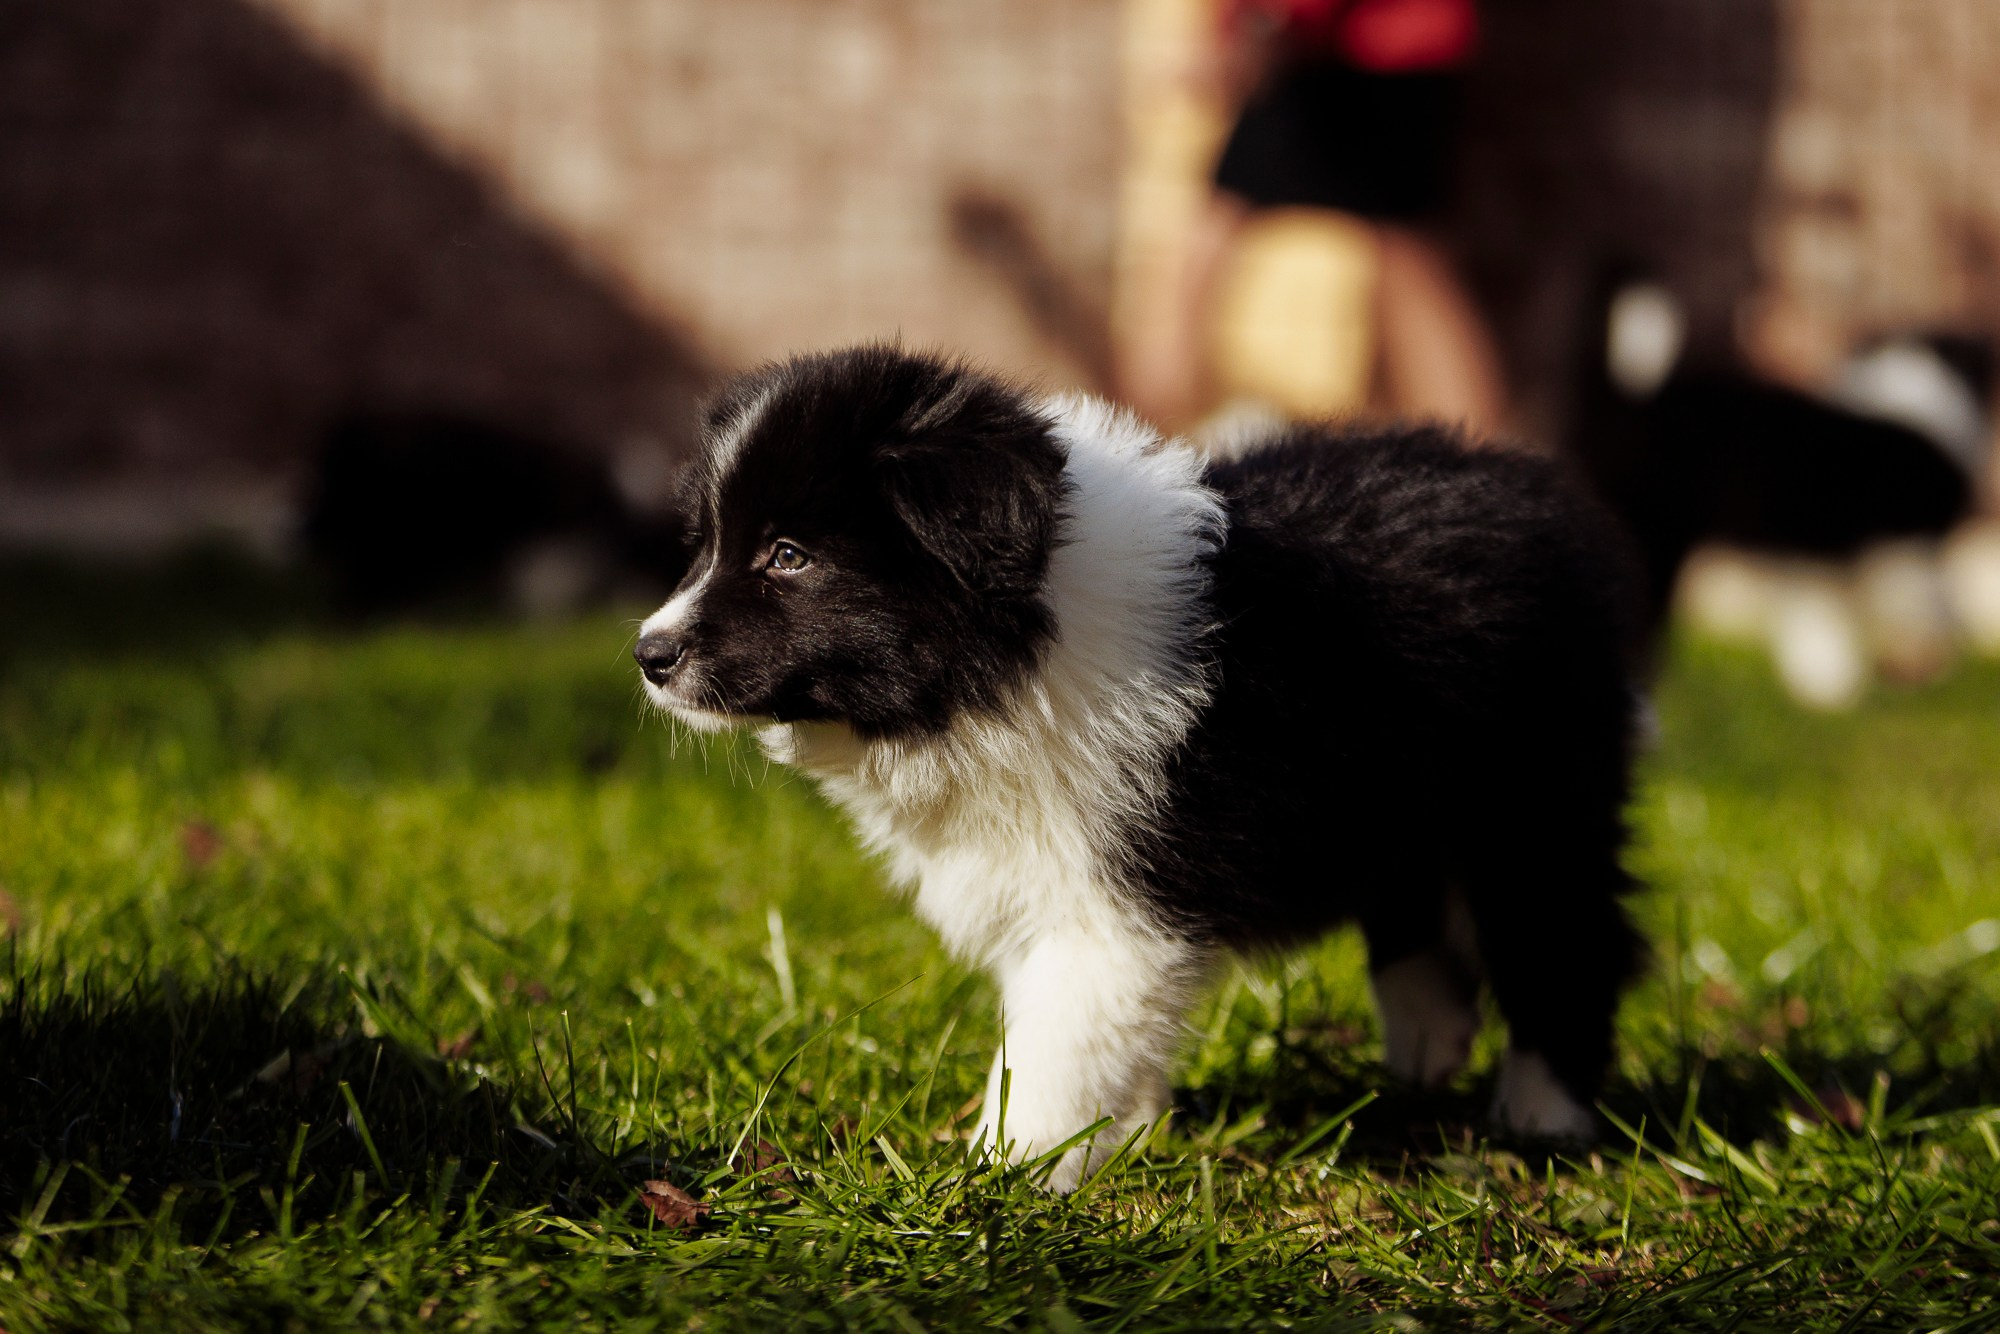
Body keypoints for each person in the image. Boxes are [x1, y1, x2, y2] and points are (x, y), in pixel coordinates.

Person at [1121, 0, 1508, 436]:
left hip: (1363, 49)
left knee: (1216, 233)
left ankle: (1142, 440)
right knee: (1405, 258)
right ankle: (1479, 455)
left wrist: (1267, 22)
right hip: (1364, 45)